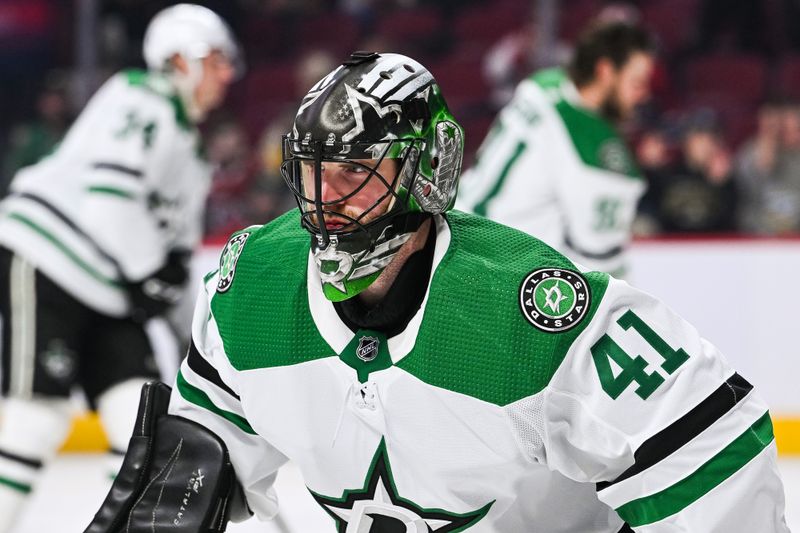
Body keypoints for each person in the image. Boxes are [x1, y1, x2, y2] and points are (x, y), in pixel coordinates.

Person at [87, 51, 789, 533]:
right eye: (312, 173)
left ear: (430, 168)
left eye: (356, 172)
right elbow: (204, 441)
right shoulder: (254, 290)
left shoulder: (531, 311)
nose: (326, 203)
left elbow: (709, 440)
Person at [0, 4, 240, 530]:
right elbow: (110, 199)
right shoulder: (139, 96)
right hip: (50, 262)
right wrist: (151, 273)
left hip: (110, 287)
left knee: (144, 426)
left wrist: (193, 337)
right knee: (34, 418)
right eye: (217, 59)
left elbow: (172, 265)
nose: (227, 74)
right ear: (180, 60)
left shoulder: (192, 152)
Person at [458, 22, 655, 277]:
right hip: (497, 270)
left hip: (455, 226)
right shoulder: (599, 158)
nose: (644, 95)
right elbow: (603, 266)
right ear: (605, 71)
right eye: (637, 83)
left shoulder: (543, 84)